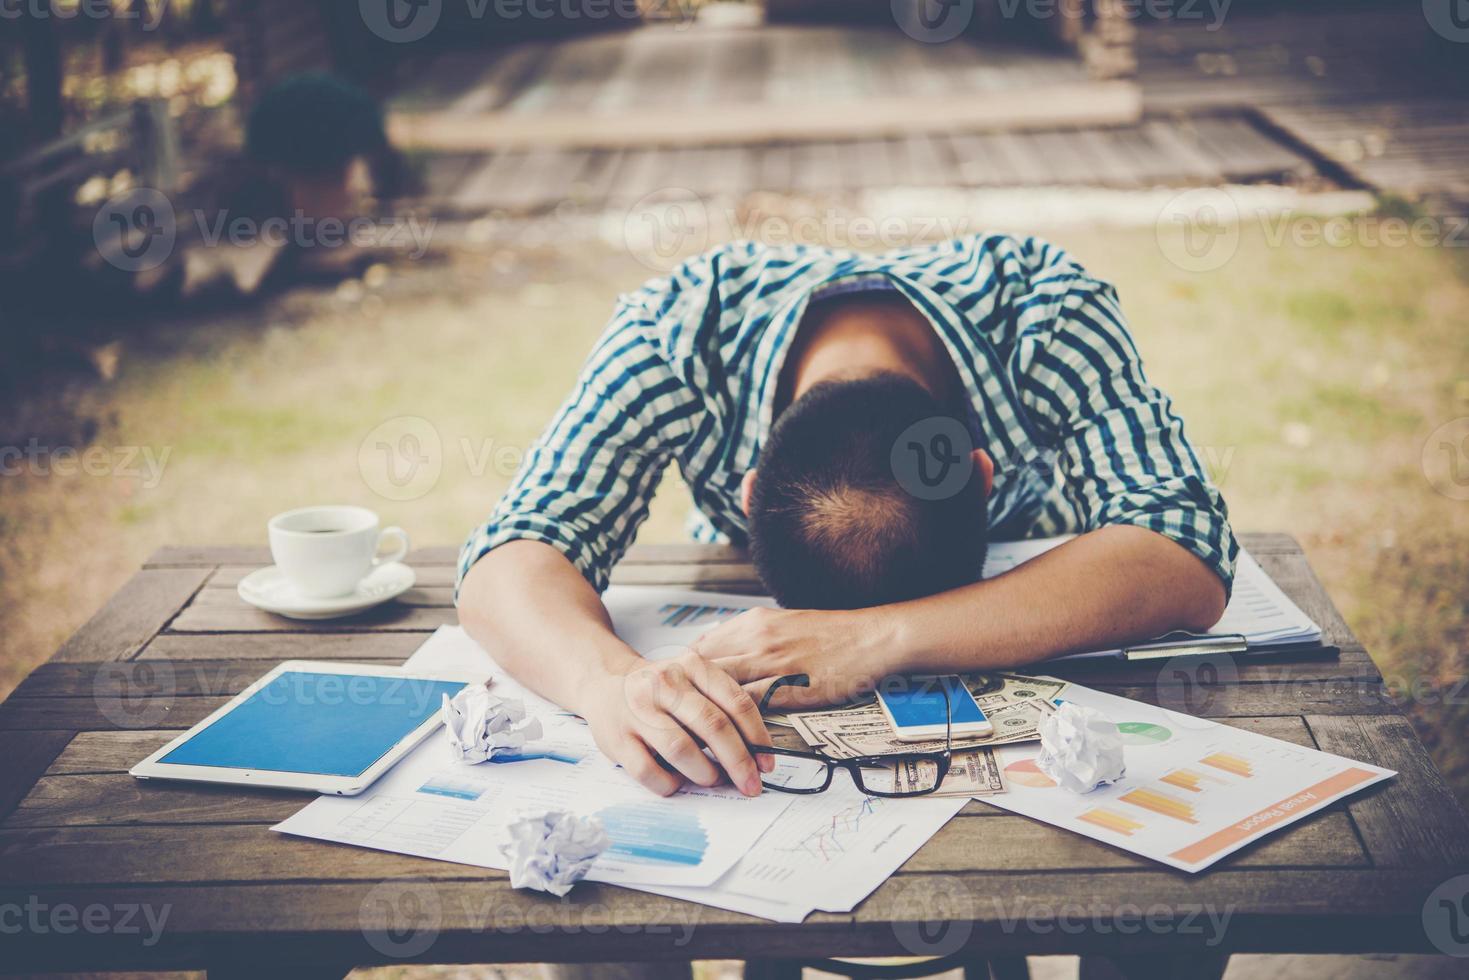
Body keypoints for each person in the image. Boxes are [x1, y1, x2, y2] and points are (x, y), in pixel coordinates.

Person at [457, 235, 1236, 799]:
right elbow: (511, 555)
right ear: (753, 492)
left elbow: (1184, 553)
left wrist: (876, 638)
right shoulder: (677, 333)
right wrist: (609, 685)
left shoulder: (1044, 311)